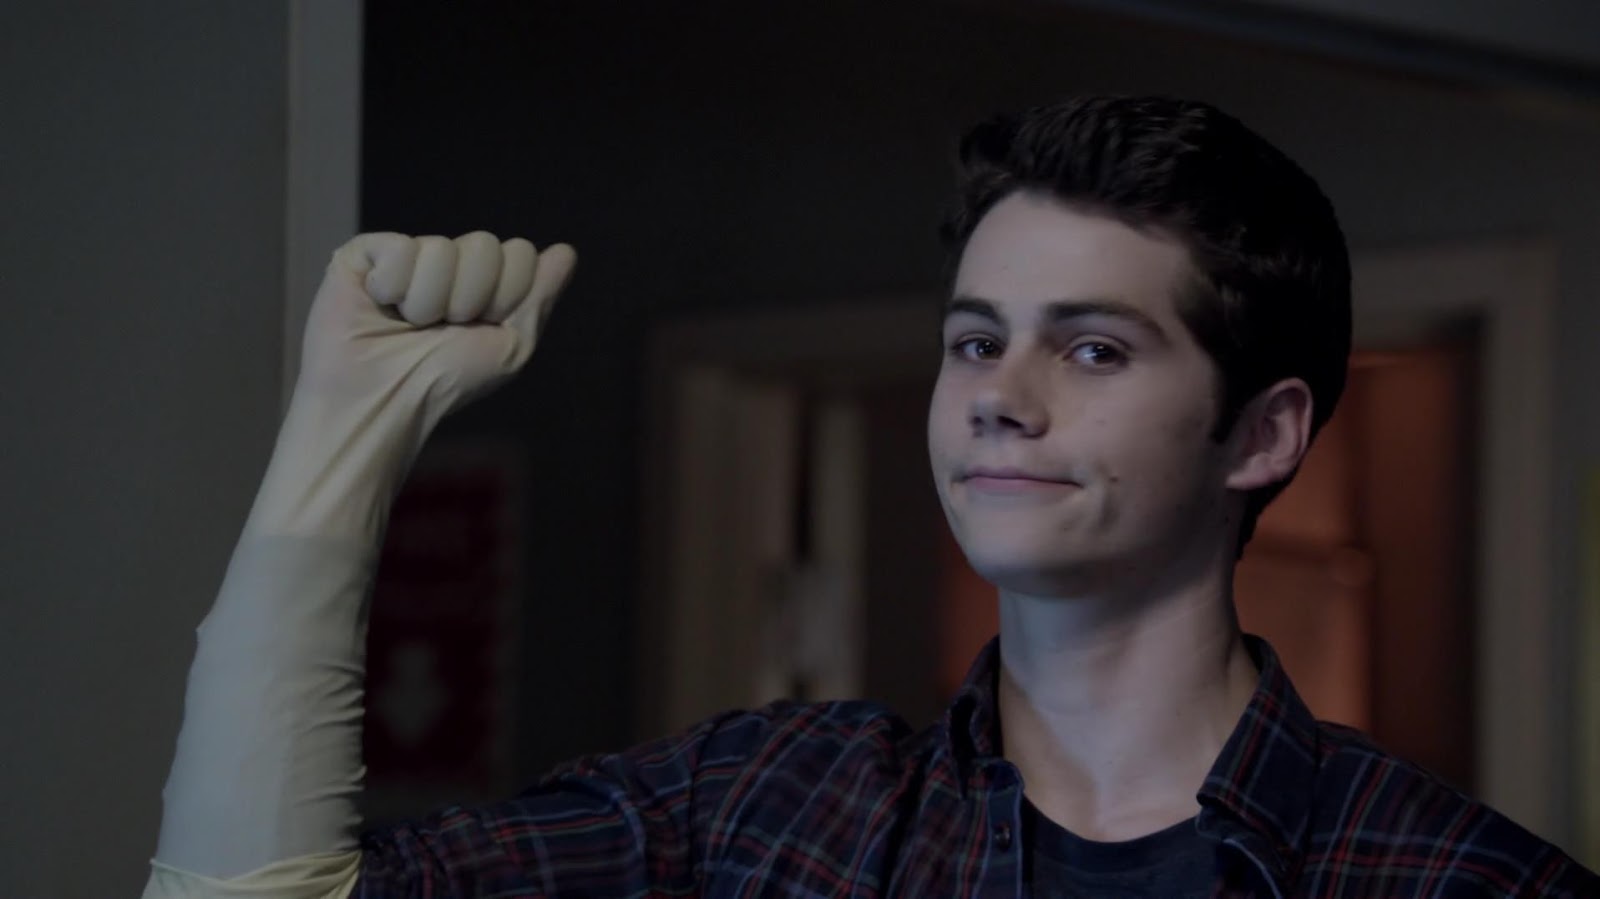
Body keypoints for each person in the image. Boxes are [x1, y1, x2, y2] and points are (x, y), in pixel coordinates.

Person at [144, 96, 1598, 898]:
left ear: (1263, 436)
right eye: (975, 339)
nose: (999, 395)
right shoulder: (766, 811)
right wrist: (343, 432)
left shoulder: (1460, 885)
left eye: (1093, 348)